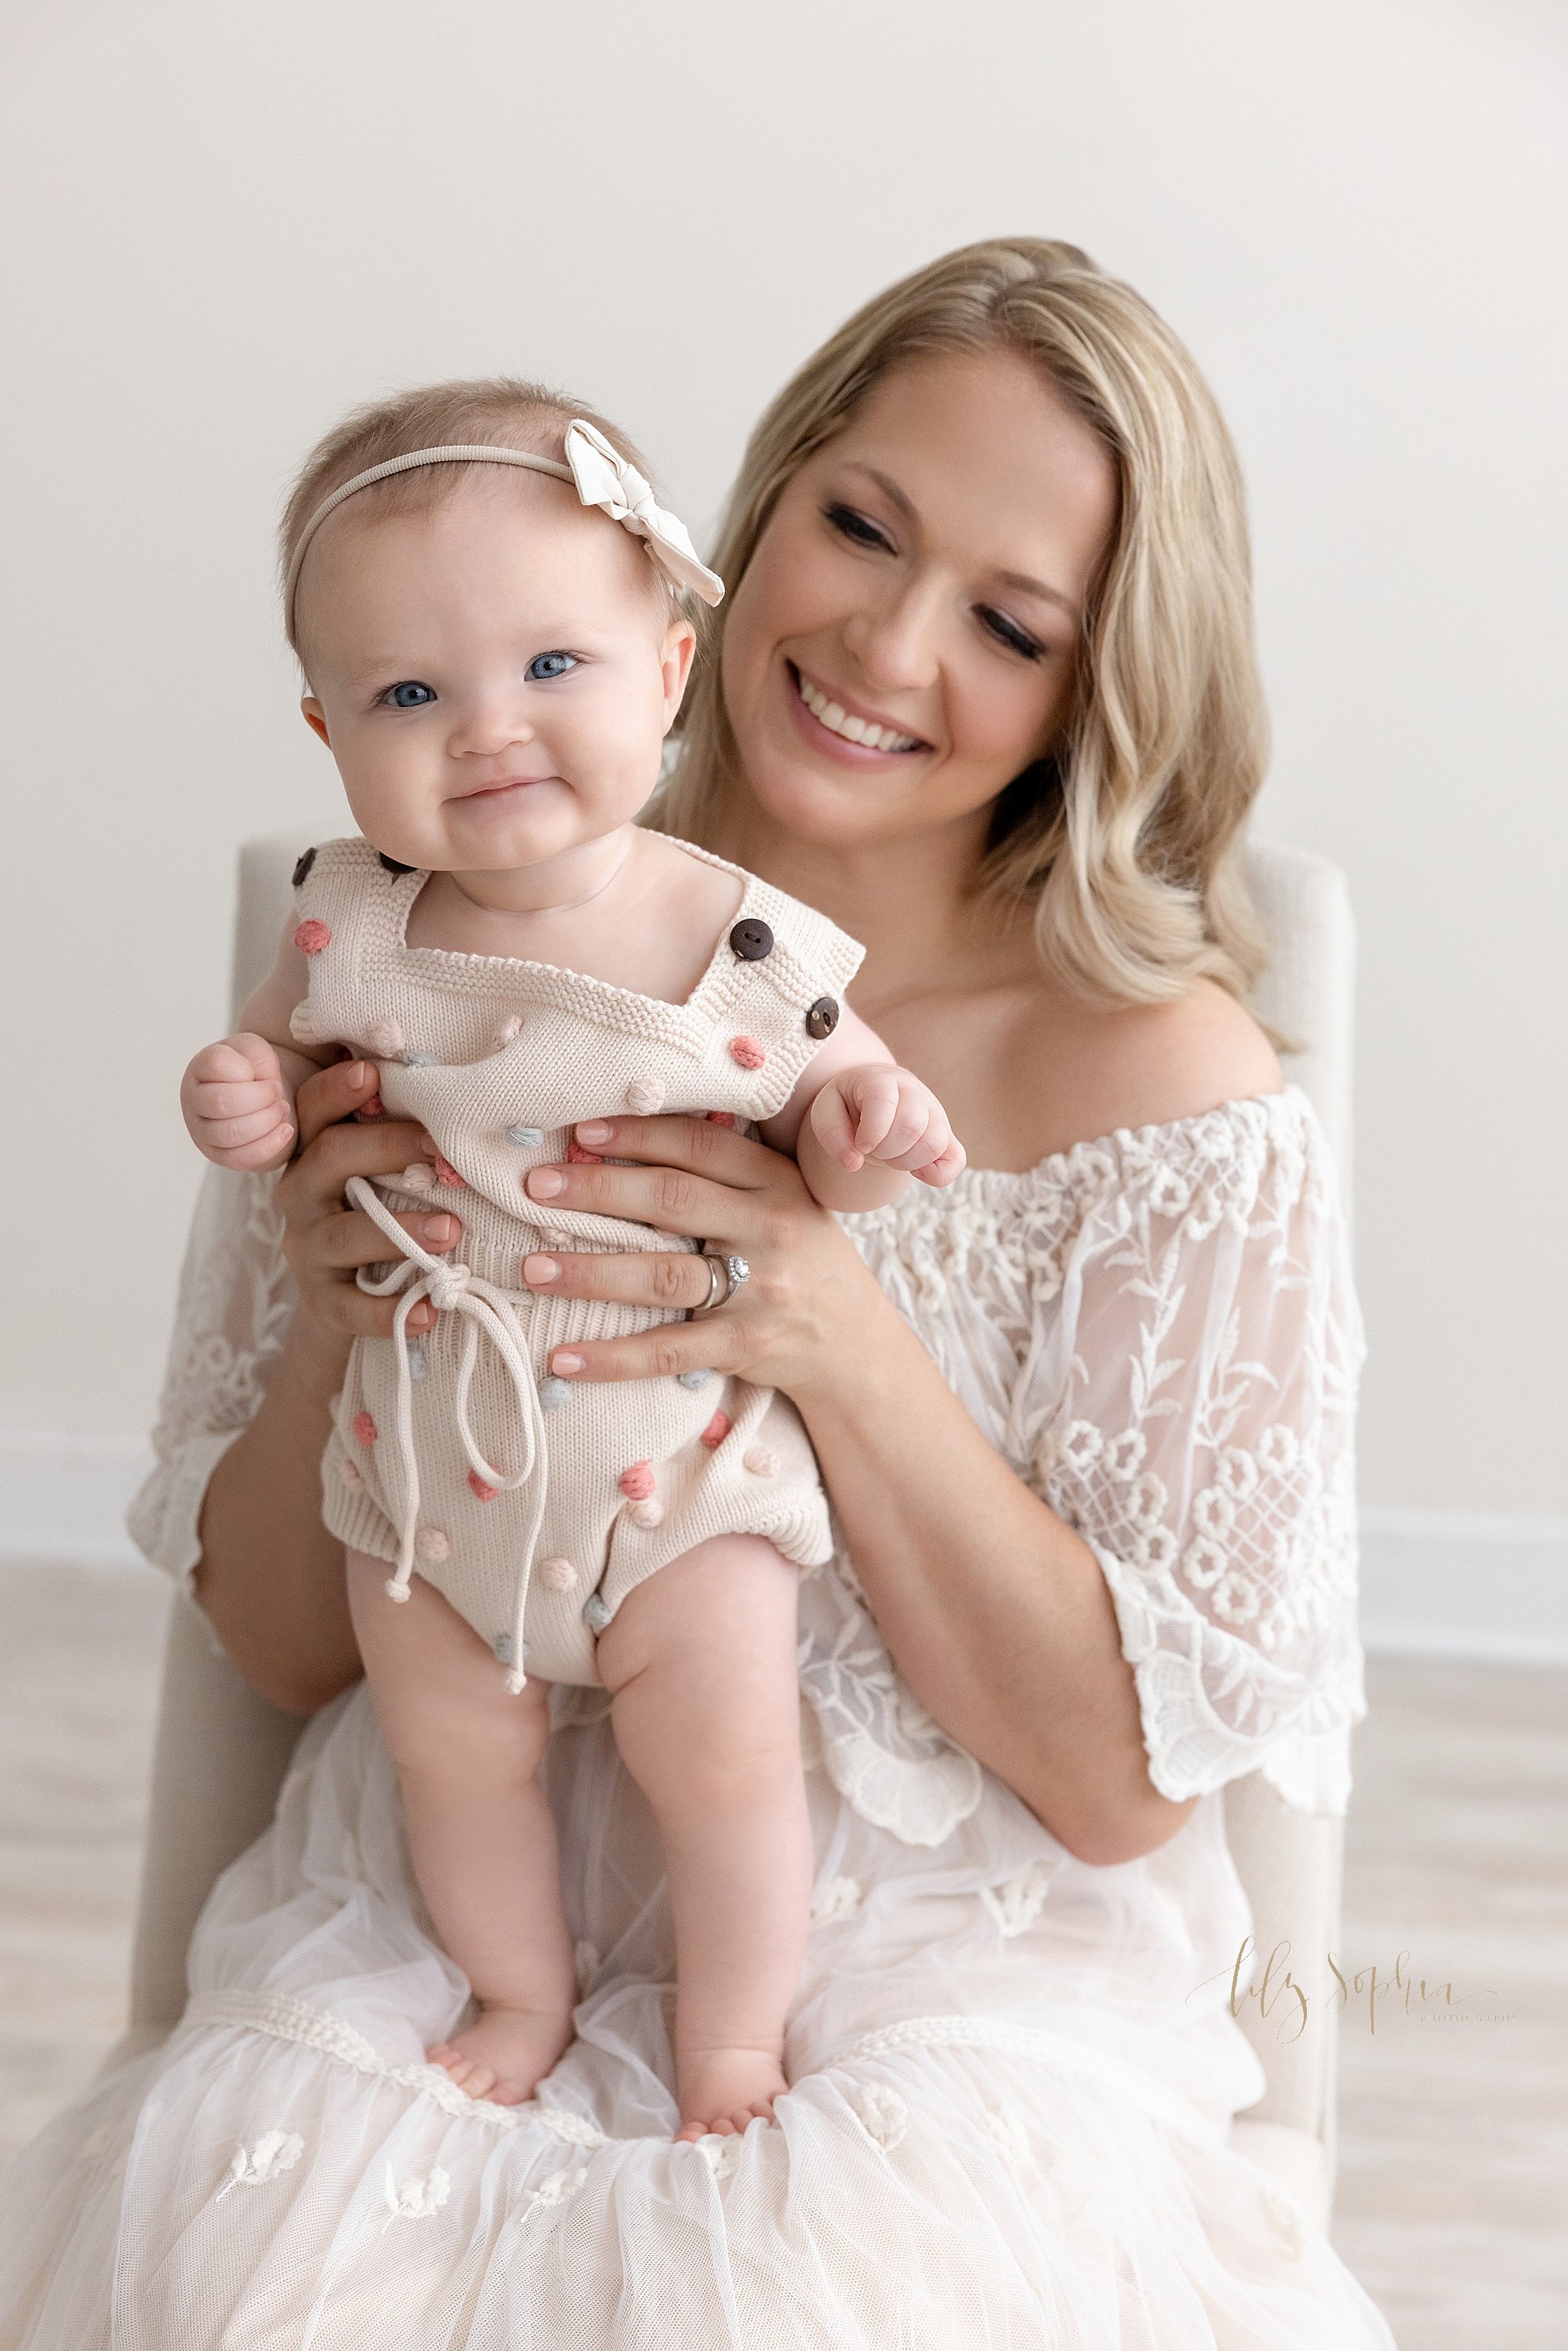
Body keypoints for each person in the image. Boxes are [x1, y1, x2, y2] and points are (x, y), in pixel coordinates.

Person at [0, 238, 1392, 2348]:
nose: (885, 643)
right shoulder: (408, 941)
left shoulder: (1161, 1076)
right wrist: (339, 1304)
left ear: (1100, 678)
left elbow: (1124, 1786)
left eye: (1010, 622)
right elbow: (285, 1649)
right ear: (729, 527)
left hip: (916, 1962)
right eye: (860, 524)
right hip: (443, 1918)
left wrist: (836, 1331)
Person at [179, 382, 962, 2133]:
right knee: (454, 1755)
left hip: (671, 1465)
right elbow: (273, 1063)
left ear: (669, 669)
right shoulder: (349, 923)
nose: (485, 730)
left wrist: (866, 1134)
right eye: (408, 694)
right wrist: (245, 1092)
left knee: (726, 1750)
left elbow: (833, 1102)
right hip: (434, 1466)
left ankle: (737, 2032)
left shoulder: (722, 930)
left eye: (552, 667)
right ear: (326, 733)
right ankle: (520, 1989)